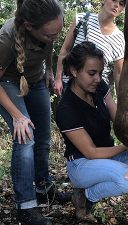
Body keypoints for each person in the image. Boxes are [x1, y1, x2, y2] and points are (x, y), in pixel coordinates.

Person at [55, 41, 128, 222]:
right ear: (75, 71)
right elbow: (91, 152)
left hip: (108, 156)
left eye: (100, 73)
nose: (98, 79)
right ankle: (86, 197)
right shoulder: (66, 108)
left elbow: (118, 119)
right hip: (82, 164)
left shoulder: (99, 88)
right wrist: (126, 147)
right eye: (92, 73)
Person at [0, 1, 71, 225]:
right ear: (30, 26)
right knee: (26, 136)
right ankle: (26, 207)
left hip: (36, 80)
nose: (55, 37)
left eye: (57, 32)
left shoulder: (50, 28)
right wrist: (17, 116)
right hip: (8, 82)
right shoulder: (7, 37)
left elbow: (48, 48)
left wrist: (49, 71)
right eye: (50, 33)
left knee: (43, 138)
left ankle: (43, 188)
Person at [55, 0, 126, 96]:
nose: (116, 5)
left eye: (121, 4)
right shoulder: (82, 19)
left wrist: (122, 104)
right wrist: (58, 79)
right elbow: (65, 50)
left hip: (97, 92)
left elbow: (118, 73)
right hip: (71, 86)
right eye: (114, 0)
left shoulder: (119, 37)